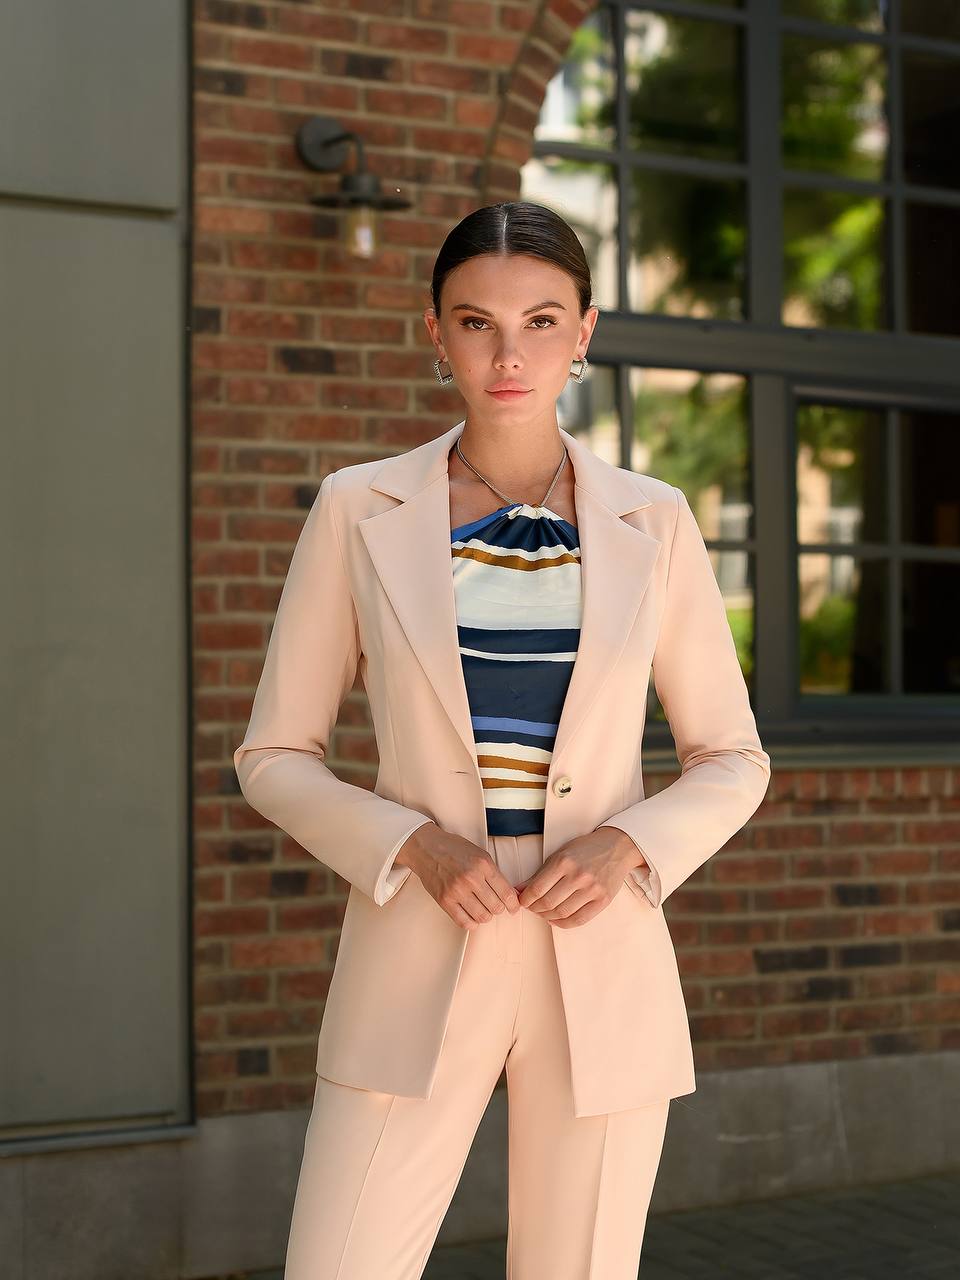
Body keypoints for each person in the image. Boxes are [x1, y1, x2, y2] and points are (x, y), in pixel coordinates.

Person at [233, 200, 771, 1279]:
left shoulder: (652, 520)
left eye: (540, 320)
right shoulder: (358, 507)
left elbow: (730, 755)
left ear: (584, 333)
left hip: (598, 956)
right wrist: (412, 845)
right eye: (476, 322)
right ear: (435, 334)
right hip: (418, 948)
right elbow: (274, 753)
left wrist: (627, 846)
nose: (507, 351)